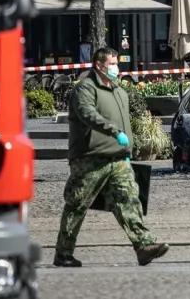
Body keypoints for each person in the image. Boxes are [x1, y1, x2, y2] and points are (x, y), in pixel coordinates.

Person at [54, 47, 170, 268]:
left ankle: (144, 246)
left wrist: (127, 151)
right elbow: (88, 114)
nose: (117, 68)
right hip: (90, 158)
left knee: (129, 199)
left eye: (117, 63)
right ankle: (63, 253)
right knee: (77, 205)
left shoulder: (119, 91)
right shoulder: (85, 89)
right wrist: (114, 132)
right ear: (99, 65)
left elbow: (124, 122)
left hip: (118, 158)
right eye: (112, 64)